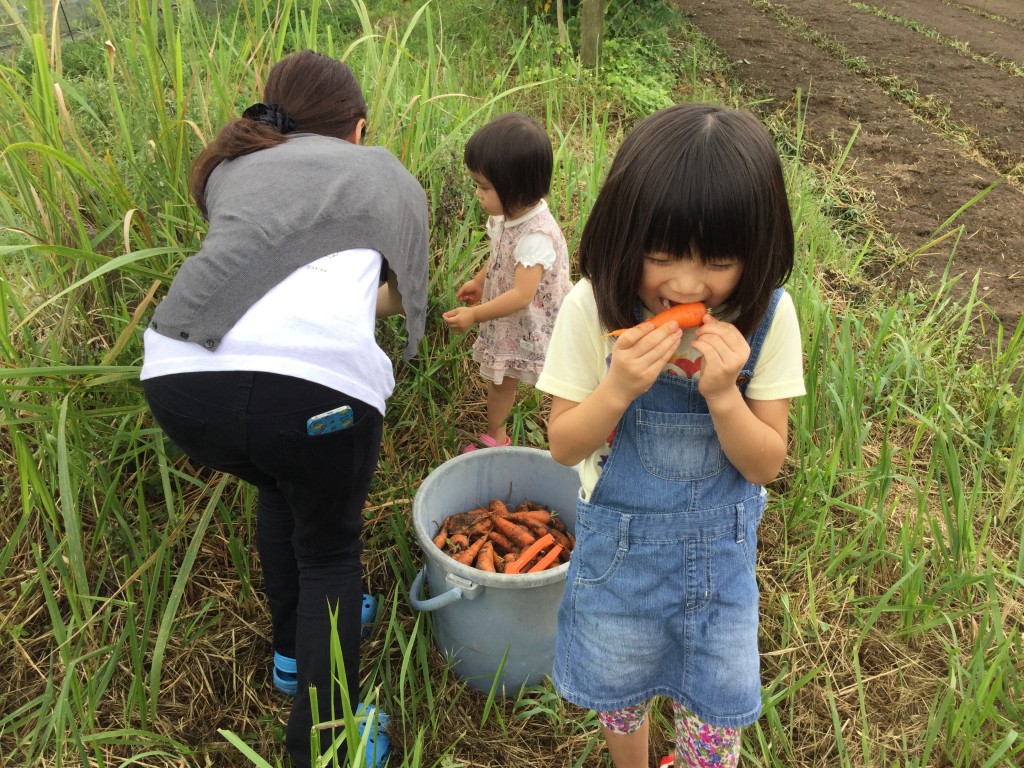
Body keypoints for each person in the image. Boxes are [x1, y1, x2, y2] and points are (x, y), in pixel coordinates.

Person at [140, 50, 428, 768]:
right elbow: (392, 300)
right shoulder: (384, 173)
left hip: (182, 379)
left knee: (279, 480)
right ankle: (326, 748)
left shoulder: (236, 166)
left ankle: (293, 656)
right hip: (314, 394)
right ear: (358, 130)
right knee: (331, 550)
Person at [536, 103, 806, 768]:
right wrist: (617, 388)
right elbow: (565, 444)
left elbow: (766, 462)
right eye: (661, 256)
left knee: (713, 710)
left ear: (758, 250)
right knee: (621, 691)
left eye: (717, 261)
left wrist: (723, 394)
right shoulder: (590, 305)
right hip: (619, 561)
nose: (686, 284)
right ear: (624, 234)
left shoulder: (768, 319)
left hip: (720, 573)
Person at [442, 112, 572, 453]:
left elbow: (521, 296)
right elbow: (500, 255)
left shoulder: (536, 235)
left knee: (560, 379)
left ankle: (572, 426)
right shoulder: (504, 216)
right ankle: (496, 439)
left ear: (516, 188)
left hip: (534, 323)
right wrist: (481, 280)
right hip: (510, 319)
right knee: (502, 382)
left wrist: (475, 315)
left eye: (484, 186)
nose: (477, 193)